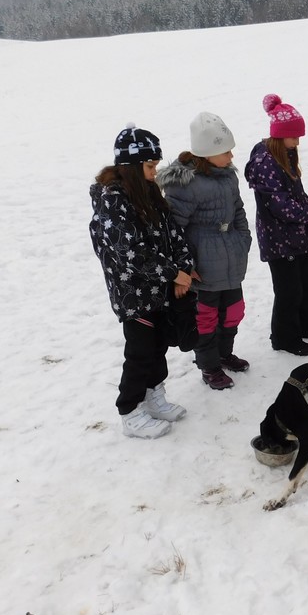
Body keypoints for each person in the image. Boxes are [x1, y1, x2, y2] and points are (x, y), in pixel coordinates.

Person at [89, 124, 195, 439]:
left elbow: (173, 233)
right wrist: (173, 273)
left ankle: (153, 395)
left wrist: (183, 267)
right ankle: (129, 410)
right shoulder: (113, 202)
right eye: (150, 166)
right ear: (132, 167)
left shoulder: (148, 191)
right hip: (133, 294)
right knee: (139, 352)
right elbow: (129, 251)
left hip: (158, 289)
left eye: (155, 165)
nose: (154, 172)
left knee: (159, 345)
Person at [157, 112, 252, 391]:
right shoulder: (185, 184)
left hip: (231, 256)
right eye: (225, 151)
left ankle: (224, 353)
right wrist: (185, 265)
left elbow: (238, 209)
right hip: (204, 261)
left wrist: (243, 238)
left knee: (233, 311)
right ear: (207, 153)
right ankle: (209, 365)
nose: (231, 156)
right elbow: (174, 228)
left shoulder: (228, 176)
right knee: (206, 318)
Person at [245, 93, 308, 356]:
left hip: (297, 234)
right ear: (279, 134)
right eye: (294, 136)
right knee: (289, 290)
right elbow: (279, 204)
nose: (298, 141)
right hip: (279, 238)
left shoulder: (286, 154)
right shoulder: (266, 162)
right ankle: (284, 337)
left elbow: (296, 193)